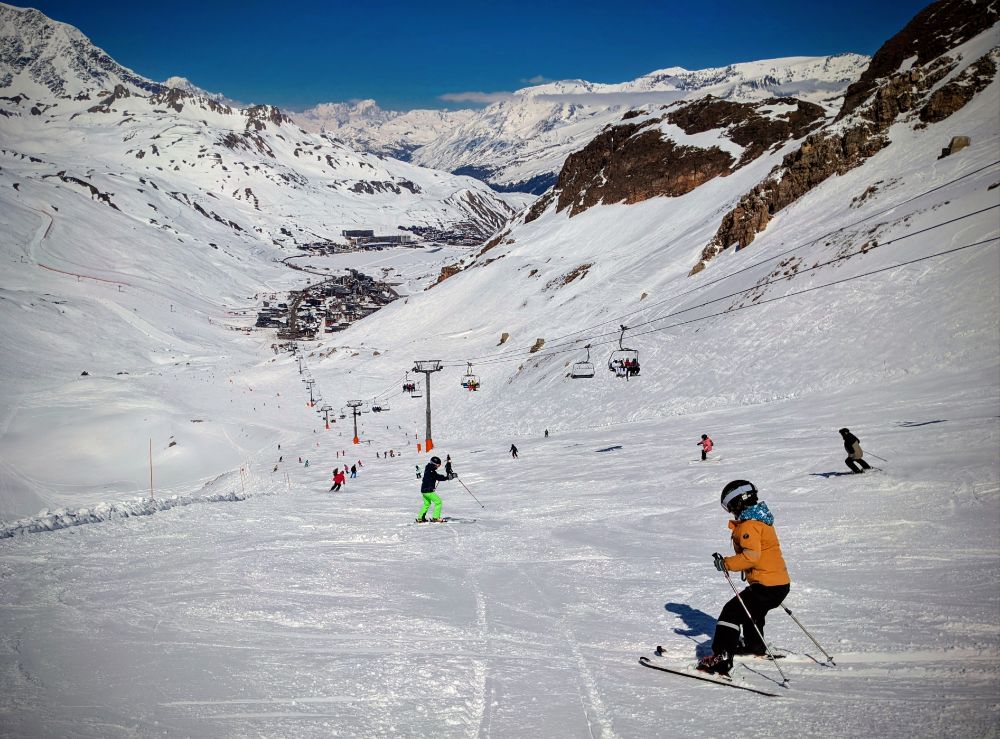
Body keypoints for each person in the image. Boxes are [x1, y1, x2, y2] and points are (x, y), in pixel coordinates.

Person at [696, 480, 791, 677]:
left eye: (730, 506)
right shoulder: (760, 520)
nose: (731, 511)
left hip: (766, 585)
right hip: (777, 584)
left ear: (739, 502)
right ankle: (754, 645)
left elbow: (751, 557)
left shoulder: (749, 525)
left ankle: (721, 659)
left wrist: (726, 563)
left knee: (731, 612)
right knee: (751, 611)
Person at [418, 455, 455, 522]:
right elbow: (437, 477)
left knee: (427, 504)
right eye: (438, 465)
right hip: (428, 490)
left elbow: (436, 476)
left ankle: (420, 518)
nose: (438, 467)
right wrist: (448, 477)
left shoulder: (428, 468)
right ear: (434, 464)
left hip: (424, 490)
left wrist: (446, 477)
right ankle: (436, 517)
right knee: (438, 502)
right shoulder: (431, 471)